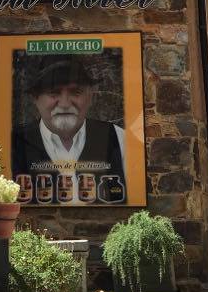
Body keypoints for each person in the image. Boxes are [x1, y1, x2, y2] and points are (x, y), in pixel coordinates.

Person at [11, 56, 126, 205]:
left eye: (76, 92)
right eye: (53, 93)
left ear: (90, 96)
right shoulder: (13, 142)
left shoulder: (118, 138)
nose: (65, 104)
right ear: (35, 98)